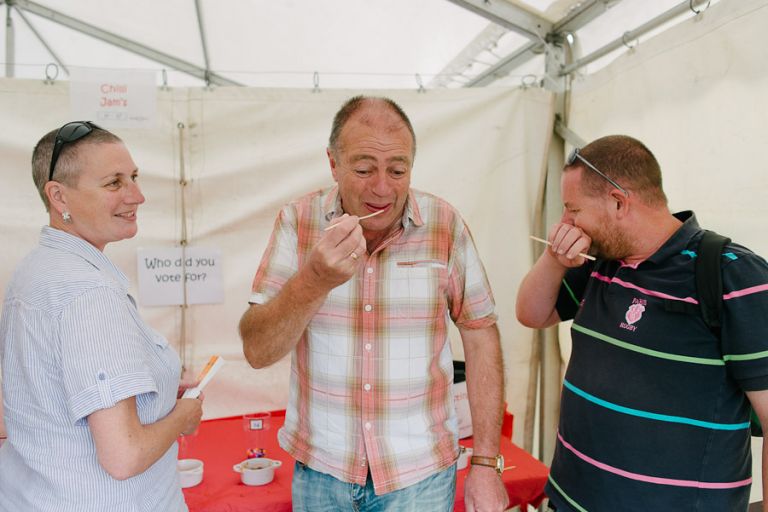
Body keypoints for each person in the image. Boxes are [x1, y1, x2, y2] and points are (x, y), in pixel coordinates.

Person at [239, 96, 509, 511]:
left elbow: (480, 333)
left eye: (397, 170)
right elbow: (258, 350)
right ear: (333, 163)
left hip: (419, 476)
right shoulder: (299, 221)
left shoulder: (444, 225)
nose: (382, 188)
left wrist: (487, 464)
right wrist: (314, 280)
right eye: (364, 169)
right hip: (322, 471)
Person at [516, 135, 768, 511]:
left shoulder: (732, 275)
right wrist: (554, 259)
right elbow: (532, 314)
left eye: (573, 210)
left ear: (618, 202)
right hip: (571, 500)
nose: (566, 223)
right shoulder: (599, 261)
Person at [0, 122, 203, 511]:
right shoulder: (89, 292)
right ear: (58, 196)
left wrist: (159, 397)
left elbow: (52, 395)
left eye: (134, 177)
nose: (137, 195)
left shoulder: (36, 269)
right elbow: (123, 456)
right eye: (114, 183)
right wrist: (183, 415)